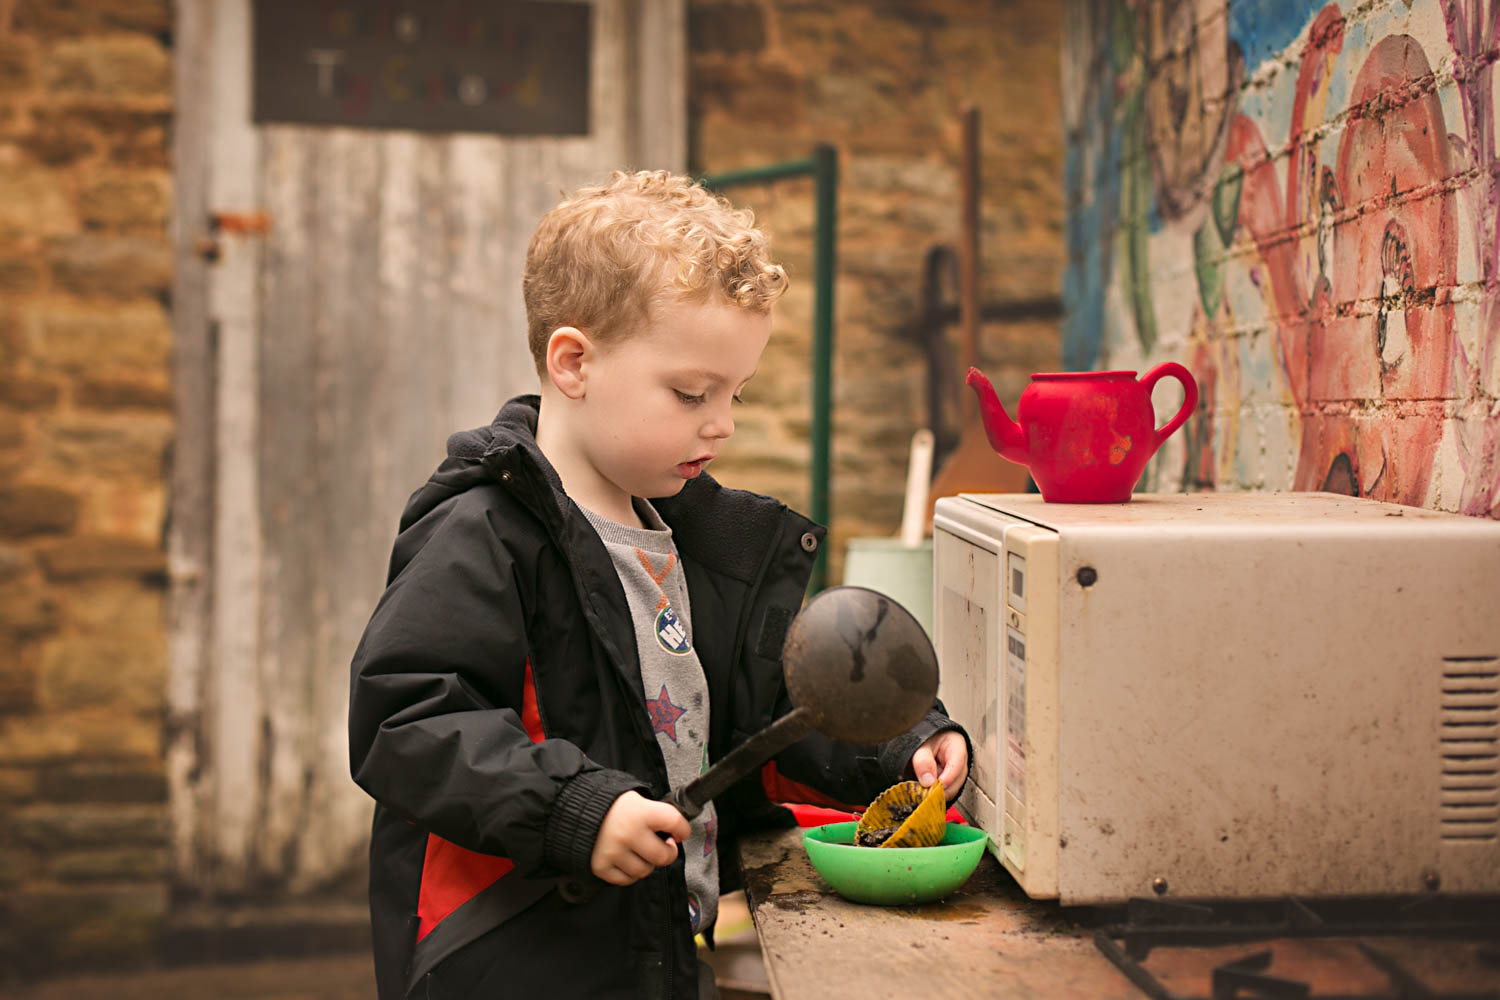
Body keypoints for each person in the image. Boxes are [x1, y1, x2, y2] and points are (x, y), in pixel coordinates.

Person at [348, 170, 970, 1000]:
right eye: (691, 393)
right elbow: (409, 715)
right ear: (573, 363)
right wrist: (577, 808)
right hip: (518, 956)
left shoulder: (690, 540)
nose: (723, 422)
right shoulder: (485, 531)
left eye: (735, 393)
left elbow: (768, 715)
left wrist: (900, 743)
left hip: (656, 949)